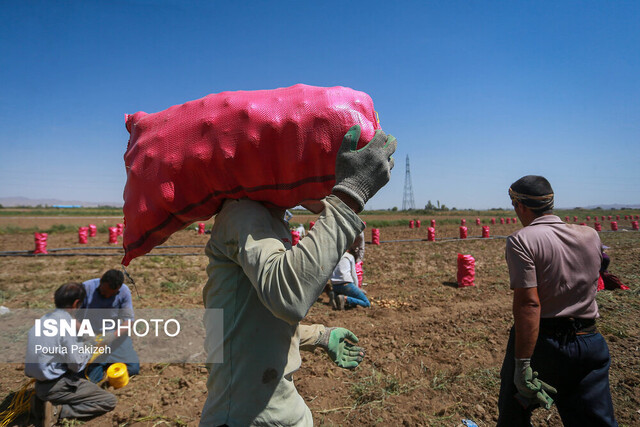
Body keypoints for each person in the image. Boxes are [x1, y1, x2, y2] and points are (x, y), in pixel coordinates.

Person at [200, 124, 396, 426]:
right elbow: (287, 296)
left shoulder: (263, 218)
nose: (332, 179)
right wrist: (350, 195)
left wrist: (320, 335)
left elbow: (253, 326)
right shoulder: (244, 214)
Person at [497, 175, 618, 426]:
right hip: (589, 341)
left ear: (520, 206)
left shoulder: (522, 240)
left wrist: (522, 365)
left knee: (514, 416)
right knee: (595, 421)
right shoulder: (590, 235)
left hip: (545, 345)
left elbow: (529, 304)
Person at [25, 282, 117, 424]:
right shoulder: (66, 326)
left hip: (40, 386)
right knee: (108, 400)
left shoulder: (43, 320)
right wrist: (91, 347)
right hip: (57, 386)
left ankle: (41, 404)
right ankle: (58, 410)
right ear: (76, 303)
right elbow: (76, 365)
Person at [80, 269, 140, 383]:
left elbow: (129, 321)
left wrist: (113, 335)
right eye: (103, 291)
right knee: (90, 378)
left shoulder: (124, 291)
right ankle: (102, 363)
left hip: (114, 334)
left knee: (133, 369)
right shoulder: (85, 288)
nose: (107, 296)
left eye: (112, 294)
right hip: (89, 334)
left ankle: (105, 361)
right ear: (100, 282)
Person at [330, 241, 370, 310]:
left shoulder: (333, 257)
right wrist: (358, 289)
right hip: (346, 284)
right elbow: (354, 275)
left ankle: (335, 295)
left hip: (335, 285)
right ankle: (345, 299)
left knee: (348, 293)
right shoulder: (349, 256)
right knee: (366, 303)